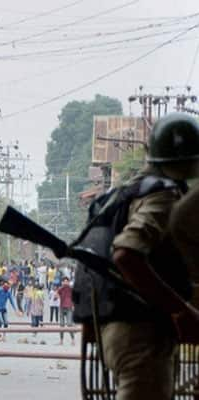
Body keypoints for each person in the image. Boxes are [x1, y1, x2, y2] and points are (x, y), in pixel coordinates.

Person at [74, 113, 199, 399]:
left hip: (114, 329)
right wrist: (180, 310)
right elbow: (126, 254)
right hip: (140, 332)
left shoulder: (120, 194)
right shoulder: (163, 196)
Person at [57, 277, 75, 345]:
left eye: (66, 281)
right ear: (62, 282)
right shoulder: (60, 288)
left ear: (68, 282)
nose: (65, 282)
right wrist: (59, 297)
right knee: (61, 325)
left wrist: (73, 305)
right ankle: (61, 341)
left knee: (69, 324)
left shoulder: (71, 289)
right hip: (62, 307)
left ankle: (73, 340)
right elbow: (56, 295)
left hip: (69, 308)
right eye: (64, 281)